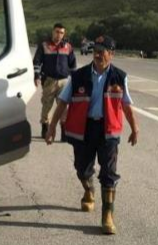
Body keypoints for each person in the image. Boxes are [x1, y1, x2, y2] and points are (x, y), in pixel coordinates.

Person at [46, 36, 139, 234]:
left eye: (102, 50)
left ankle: (107, 215)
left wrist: (135, 128)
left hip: (108, 131)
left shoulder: (120, 77)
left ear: (111, 54)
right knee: (81, 168)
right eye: (95, 49)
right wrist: (52, 126)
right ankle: (89, 191)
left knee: (109, 172)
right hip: (84, 129)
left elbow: (126, 105)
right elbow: (63, 102)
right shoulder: (78, 76)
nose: (97, 53)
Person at [33, 23, 77, 140]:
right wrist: (37, 76)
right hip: (49, 81)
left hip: (64, 82)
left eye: (61, 33)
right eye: (57, 32)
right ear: (53, 32)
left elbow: (73, 64)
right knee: (47, 106)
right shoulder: (44, 45)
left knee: (64, 107)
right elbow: (37, 62)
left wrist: (75, 80)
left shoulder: (68, 47)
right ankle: (45, 128)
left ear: (64, 34)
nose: (59, 35)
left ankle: (64, 132)